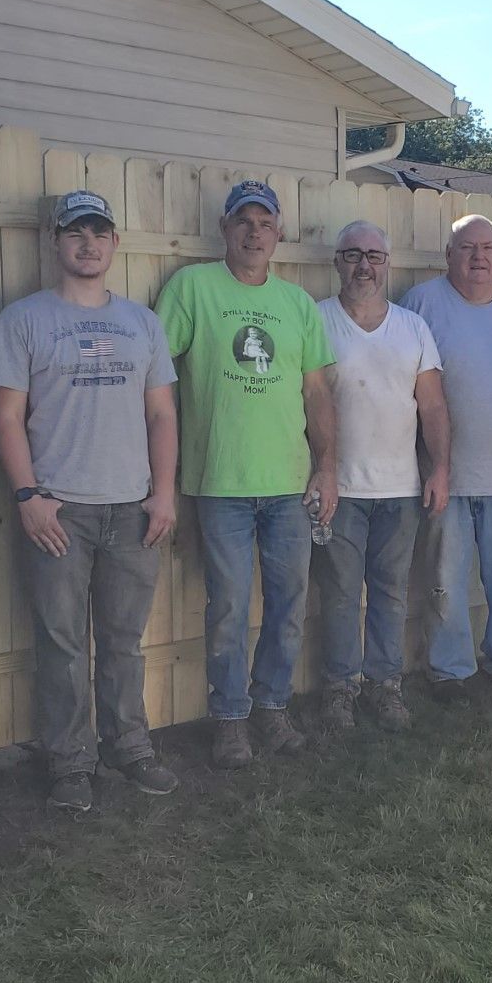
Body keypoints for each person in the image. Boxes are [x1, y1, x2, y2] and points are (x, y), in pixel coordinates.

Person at [0, 191, 180, 812]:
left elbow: (161, 413)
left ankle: (129, 746)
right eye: (76, 233)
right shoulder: (23, 320)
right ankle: (70, 762)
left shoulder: (142, 324)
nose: (88, 244)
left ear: (114, 243)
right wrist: (28, 495)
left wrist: (163, 493)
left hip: (132, 508)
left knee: (124, 640)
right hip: (58, 510)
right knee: (63, 644)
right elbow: (6, 416)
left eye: (99, 233)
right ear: (57, 242)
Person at [155, 181, 337, 768]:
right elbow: (157, 374)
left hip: (288, 484)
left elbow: (316, 391)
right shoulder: (192, 287)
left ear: (278, 233)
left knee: (289, 604)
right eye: (243, 221)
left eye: (264, 223)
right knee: (229, 607)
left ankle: (272, 708)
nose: (254, 233)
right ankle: (230, 719)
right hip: (220, 483)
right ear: (225, 229)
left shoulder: (298, 304)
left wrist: (326, 467)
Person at [401, 214, 492, 699]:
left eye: (487, 247)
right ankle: (450, 670)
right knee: (445, 580)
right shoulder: (422, 303)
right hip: (446, 476)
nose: (478, 257)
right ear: (449, 255)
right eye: (467, 248)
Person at [313, 221, 450, 733]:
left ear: (387, 264)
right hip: (339, 490)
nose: (364, 266)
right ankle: (340, 689)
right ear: (337, 262)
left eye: (374, 256)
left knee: (390, 594)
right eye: (352, 255)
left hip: (400, 489)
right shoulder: (316, 320)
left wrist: (440, 469)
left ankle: (386, 686)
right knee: (340, 595)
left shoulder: (413, 328)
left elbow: (432, 406)